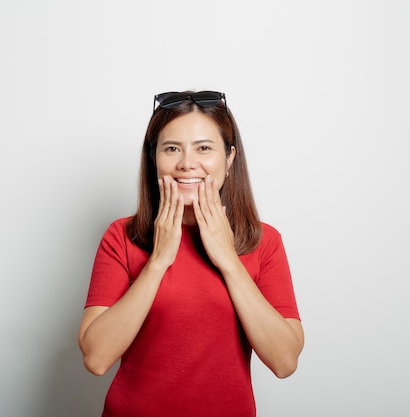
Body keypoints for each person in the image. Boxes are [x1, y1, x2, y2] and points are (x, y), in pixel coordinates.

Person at [78, 90, 304, 417]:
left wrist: (228, 259)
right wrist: (157, 262)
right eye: (172, 149)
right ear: (153, 157)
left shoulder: (264, 241)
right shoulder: (122, 236)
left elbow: (285, 361)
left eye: (204, 148)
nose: (187, 163)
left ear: (228, 158)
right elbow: (96, 358)